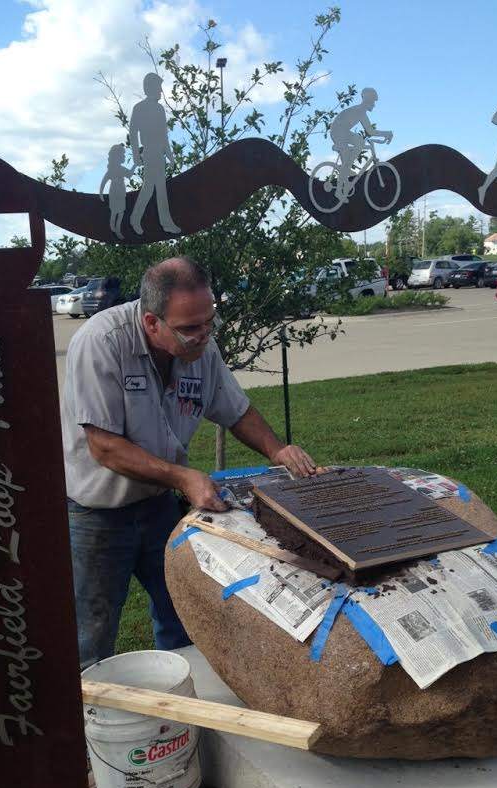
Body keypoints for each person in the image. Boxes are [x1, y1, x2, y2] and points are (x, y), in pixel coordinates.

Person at [61, 256, 319, 669]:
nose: (203, 337)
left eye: (209, 323)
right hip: (96, 514)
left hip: (159, 503)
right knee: (90, 634)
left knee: (183, 614)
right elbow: (104, 446)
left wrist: (277, 450)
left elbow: (236, 411)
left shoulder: (202, 345)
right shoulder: (101, 342)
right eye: (190, 329)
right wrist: (184, 477)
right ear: (151, 323)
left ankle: (184, 704)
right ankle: (90, 722)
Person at [129, 72, 180, 235]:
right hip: (149, 152)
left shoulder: (159, 109)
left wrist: (170, 156)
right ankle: (137, 219)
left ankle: (162, 221)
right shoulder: (139, 108)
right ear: (149, 88)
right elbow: (133, 132)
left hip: (159, 153)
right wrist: (136, 154)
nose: (160, 90)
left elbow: (164, 135)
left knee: (157, 188)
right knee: (149, 188)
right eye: (158, 87)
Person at [329, 87, 393, 202]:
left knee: (359, 141)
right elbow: (371, 132)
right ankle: (339, 191)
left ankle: (347, 170)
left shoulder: (360, 111)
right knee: (355, 150)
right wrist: (387, 133)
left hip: (341, 131)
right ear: (368, 100)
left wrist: (386, 134)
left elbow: (370, 131)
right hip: (338, 132)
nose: (374, 105)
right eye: (373, 102)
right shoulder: (360, 111)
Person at [99, 143, 134, 239]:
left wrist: (135, 165)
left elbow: (130, 174)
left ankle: (118, 229)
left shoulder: (121, 169)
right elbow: (104, 181)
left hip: (121, 192)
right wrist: (101, 193)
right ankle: (112, 227)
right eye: (122, 155)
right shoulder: (112, 170)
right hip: (114, 191)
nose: (123, 156)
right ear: (117, 157)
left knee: (121, 212)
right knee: (114, 211)